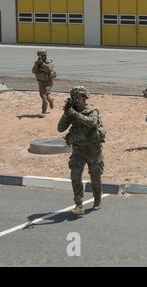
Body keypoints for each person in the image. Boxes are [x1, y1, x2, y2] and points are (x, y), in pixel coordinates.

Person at [57, 86, 106, 215]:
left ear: (85, 98)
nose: (77, 100)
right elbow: (60, 128)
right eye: (75, 98)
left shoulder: (92, 110)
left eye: (79, 97)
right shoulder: (71, 111)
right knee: (75, 176)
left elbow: (92, 123)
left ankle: (97, 198)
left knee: (95, 176)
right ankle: (78, 204)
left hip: (93, 150)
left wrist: (74, 114)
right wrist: (66, 113)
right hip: (78, 150)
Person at [32, 49, 56, 117]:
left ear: (45, 55)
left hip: (48, 82)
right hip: (41, 82)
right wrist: (37, 64)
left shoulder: (49, 61)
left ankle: (43, 112)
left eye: (42, 55)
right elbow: (33, 71)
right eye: (40, 56)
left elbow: (49, 69)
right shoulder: (37, 62)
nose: (41, 57)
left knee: (44, 96)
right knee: (44, 95)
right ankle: (51, 100)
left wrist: (42, 64)